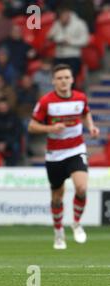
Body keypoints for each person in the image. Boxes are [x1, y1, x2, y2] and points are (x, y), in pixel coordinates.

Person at [28, 64, 99, 250]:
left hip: (76, 150)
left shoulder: (80, 98)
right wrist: (50, 128)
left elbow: (85, 112)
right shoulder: (46, 102)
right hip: (55, 155)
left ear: (72, 79)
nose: (63, 81)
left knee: (82, 188)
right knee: (57, 198)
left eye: (67, 77)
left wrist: (91, 127)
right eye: (59, 78)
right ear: (53, 81)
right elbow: (32, 126)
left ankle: (76, 223)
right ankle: (58, 232)